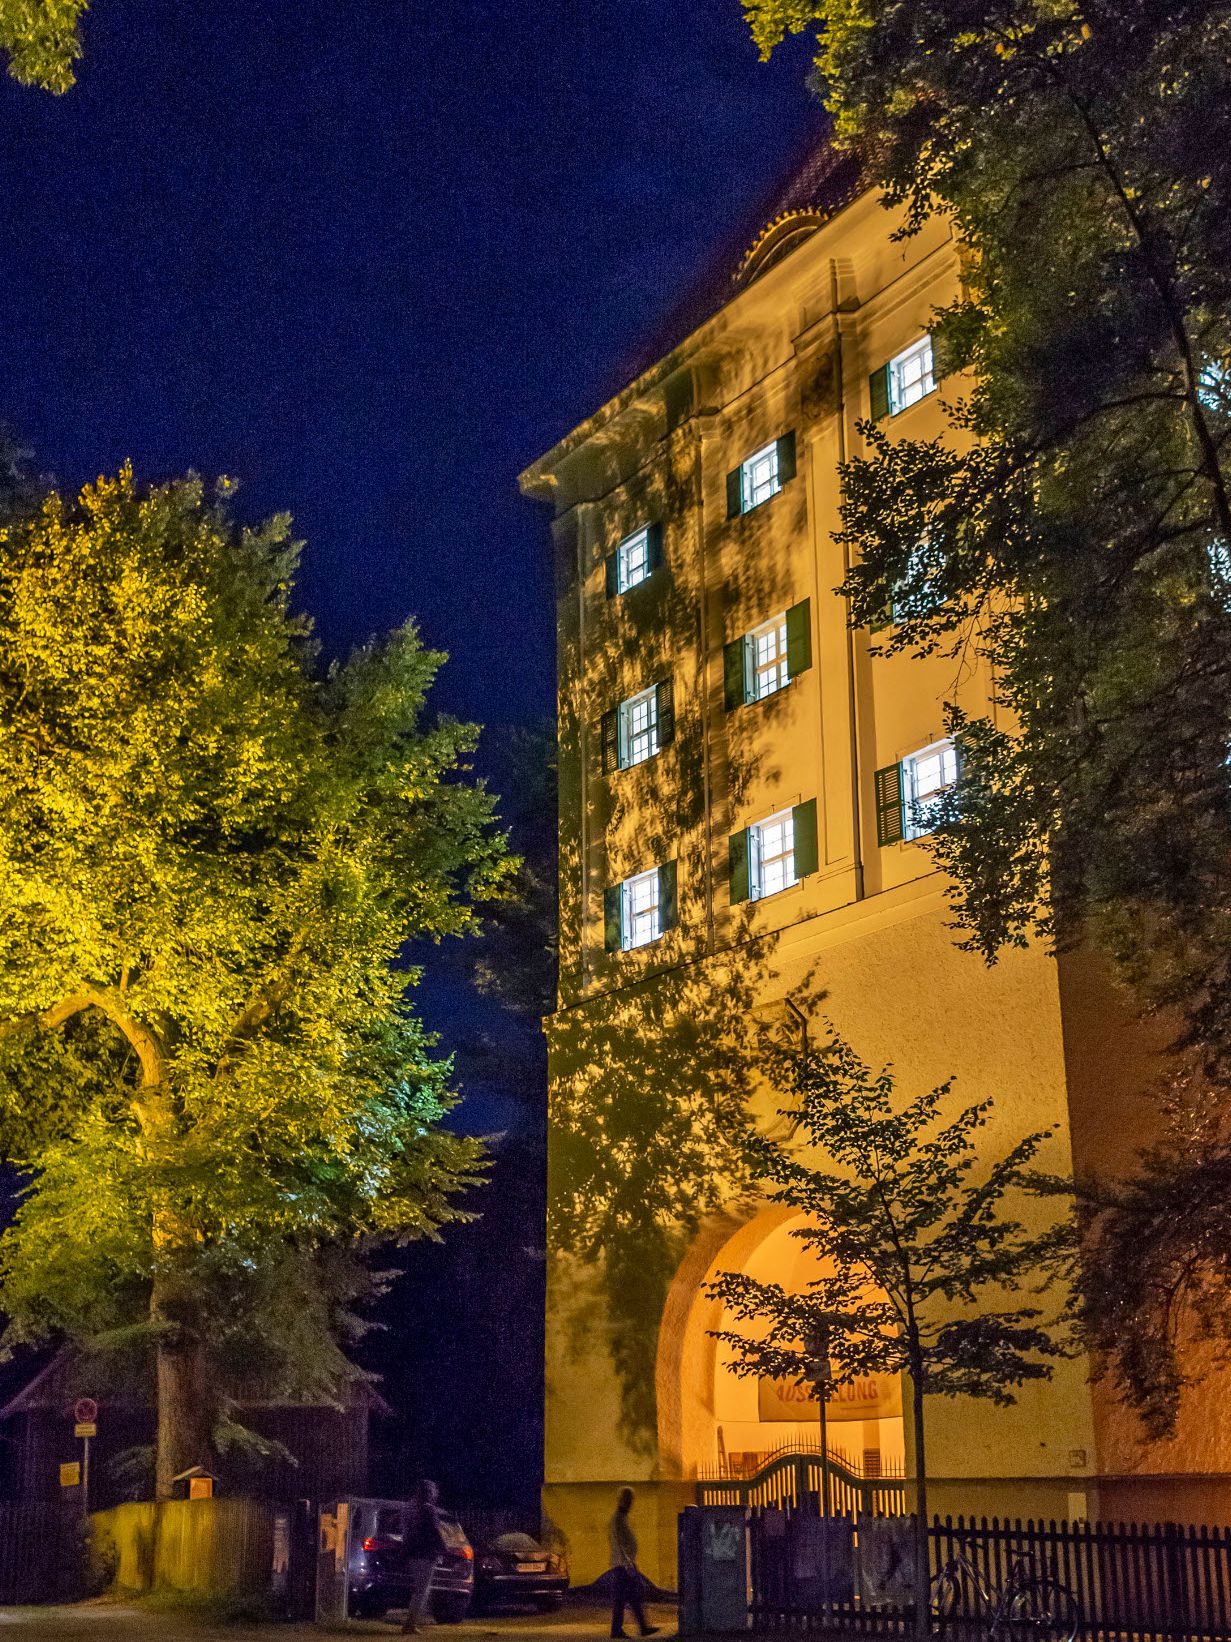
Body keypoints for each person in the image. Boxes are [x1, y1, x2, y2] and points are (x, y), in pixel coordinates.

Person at [608, 1487, 659, 1639]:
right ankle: (624, 1630)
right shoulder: (618, 1518)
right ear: (625, 1500)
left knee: (627, 1597)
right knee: (627, 1597)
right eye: (630, 1500)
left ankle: (637, 1628)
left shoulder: (620, 1517)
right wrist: (629, 1564)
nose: (632, 1503)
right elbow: (621, 1543)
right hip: (623, 1565)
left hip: (622, 1564)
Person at [401, 1478, 447, 1635]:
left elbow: (406, 1532)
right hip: (426, 1554)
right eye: (434, 1491)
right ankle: (410, 1624)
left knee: (419, 1589)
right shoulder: (428, 1509)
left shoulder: (409, 1508)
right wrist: (443, 1548)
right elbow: (435, 1531)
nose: (436, 1494)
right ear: (429, 1492)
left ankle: (412, 1622)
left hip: (413, 1553)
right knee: (421, 1591)